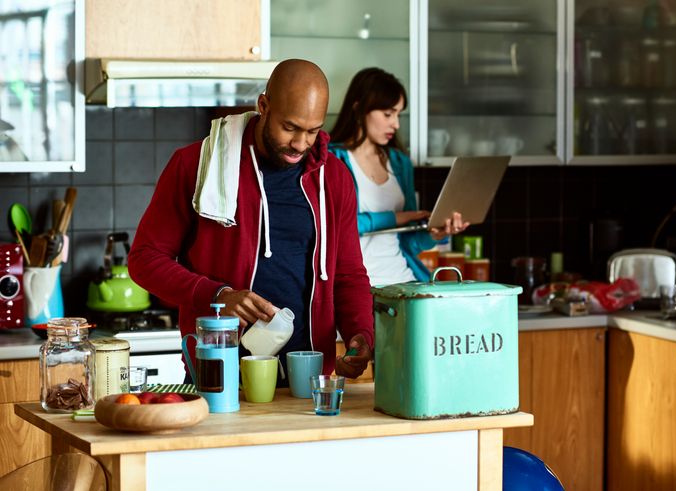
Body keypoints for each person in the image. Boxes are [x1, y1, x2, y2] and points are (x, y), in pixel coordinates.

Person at [128, 59, 373, 382]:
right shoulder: (196, 165)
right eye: (290, 127)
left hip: (309, 380)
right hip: (219, 375)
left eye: (312, 131)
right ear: (263, 105)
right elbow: (144, 259)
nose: (300, 144)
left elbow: (348, 273)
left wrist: (360, 333)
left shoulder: (335, 178)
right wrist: (217, 295)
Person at [329, 67, 469, 286]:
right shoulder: (331, 159)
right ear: (358, 108)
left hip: (405, 280)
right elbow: (334, 226)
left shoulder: (400, 162)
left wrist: (434, 233)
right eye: (388, 114)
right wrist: (396, 217)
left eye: (398, 114)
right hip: (360, 286)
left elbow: (410, 241)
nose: (396, 124)